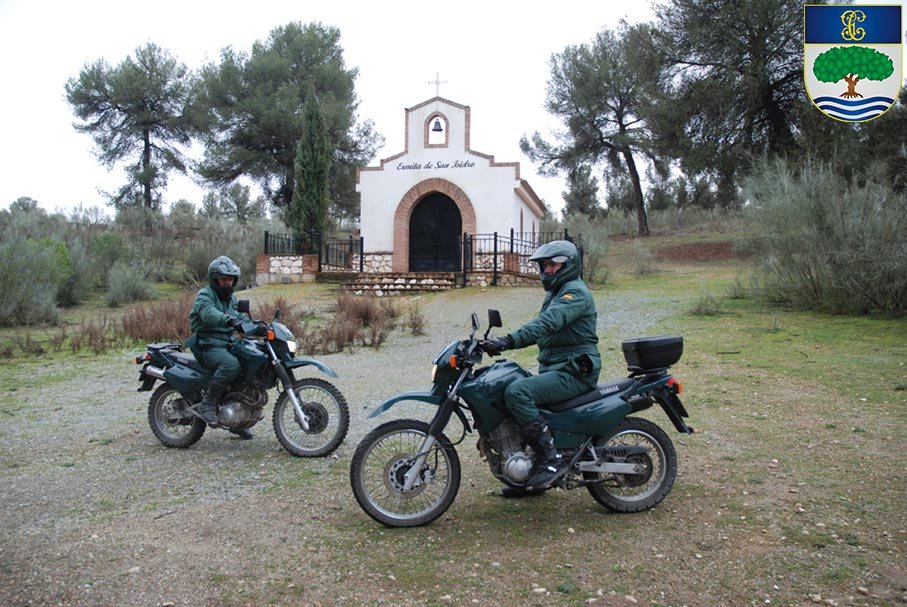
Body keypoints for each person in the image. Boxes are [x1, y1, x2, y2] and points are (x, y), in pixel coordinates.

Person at [483, 240, 601, 493]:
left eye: (552, 265)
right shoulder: (557, 293)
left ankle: (551, 460)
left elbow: (547, 323)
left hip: (574, 371)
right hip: (558, 368)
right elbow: (542, 326)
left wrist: (508, 341)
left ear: (568, 266)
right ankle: (527, 473)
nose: (546, 270)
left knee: (518, 392)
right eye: (544, 266)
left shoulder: (575, 293)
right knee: (509, 381)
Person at [188, 255, 252, 439]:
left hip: (227, 344)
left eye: (230, 280)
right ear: (215, 279)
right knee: (231, 365)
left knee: (249, 362)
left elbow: (241, 318)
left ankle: (237, 418)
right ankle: (208, 403)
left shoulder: (231, 299)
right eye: (224, 279)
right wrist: (229, 320)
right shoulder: (205, 295)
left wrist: (256, 325)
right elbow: (209, 314)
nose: (228, 283)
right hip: (207, 346)